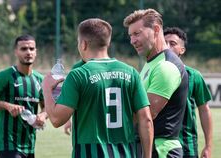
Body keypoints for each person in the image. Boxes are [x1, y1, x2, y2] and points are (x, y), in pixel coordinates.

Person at [42, 18, 154, 158]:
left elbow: (56, 119)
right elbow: (146, 120)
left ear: (83, 44)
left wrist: (46, 88)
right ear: (107, 42)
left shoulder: (78, 75)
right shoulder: (131, 73)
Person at [123, 9, 188, 158]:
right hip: (148, 148)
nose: (132, 41)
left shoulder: (166, 66)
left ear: (156, 30)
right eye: (130, 36)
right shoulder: (151, 63)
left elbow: (146, 114)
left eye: (137, 33)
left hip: (161, 150)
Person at [0, 35, 47, 158]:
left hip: (29, 144)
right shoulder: (5, 76)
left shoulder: (40, 80)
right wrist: (7, 105)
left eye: (31, 49)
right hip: (7, 143)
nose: (28, 52)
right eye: (23, 49)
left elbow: (47, 106)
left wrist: (43, 115)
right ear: (16, 51)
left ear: (36, 52)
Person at [164, 27, 213, 158]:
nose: (167, 47)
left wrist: (208, 146)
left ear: (182, 50)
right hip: (159, 146)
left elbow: (204, 110)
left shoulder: (194, 76)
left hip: (187, 146)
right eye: (164, 43)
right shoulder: (151, 73)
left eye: (172, 43)